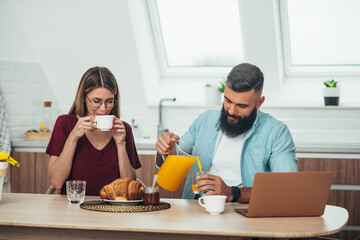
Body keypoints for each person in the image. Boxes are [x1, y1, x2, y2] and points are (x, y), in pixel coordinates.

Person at [155, 63, 298, 203]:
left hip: (246, 214)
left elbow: (287, 188)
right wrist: (165, 150)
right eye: (228, 100)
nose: (231, 111)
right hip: (198, 209)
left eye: (241, 106)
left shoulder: (276, 133)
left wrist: (233, 192)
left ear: (259, 102)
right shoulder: (205, 120)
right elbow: (171, 160)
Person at [46, 66, 141, 195]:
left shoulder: (123, 130)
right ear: (84, 98)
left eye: (109, 101)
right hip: (74, 209)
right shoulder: (65, 124)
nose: (103, 109)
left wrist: (120, 144)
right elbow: (57, 182)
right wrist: (73, 137)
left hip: (113, 211)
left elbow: (128, 189)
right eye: (96, 101)